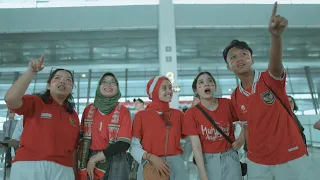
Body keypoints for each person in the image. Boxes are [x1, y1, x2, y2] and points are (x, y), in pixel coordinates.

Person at [223, 2, 317, 179]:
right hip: (258, 161)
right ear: (229, 68)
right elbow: (247, 128)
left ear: (252, 59)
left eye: (244, 54)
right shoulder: (235, 96)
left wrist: (276, 37)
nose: (239, 59)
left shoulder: (269, 78)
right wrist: (248, 153)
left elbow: (275, 63)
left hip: (292, 155)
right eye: (233, 58)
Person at [4, 56, 80, 180]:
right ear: (49, 85)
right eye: (57, 78)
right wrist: (31, 72)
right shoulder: (35, 102)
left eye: (68, 80)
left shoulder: (73, 116)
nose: (63, 82)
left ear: (71, 88)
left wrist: (75, 174)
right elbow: (11, 99)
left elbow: (74, 150)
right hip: (29, 165)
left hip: (63, 169)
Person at [183, 71, 244, 180]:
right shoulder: (191, 114)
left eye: (210, 81)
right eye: (201, 82)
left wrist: (241, 139)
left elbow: (247, 120)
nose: (206, 84)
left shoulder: (227, 104)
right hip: (207, 161)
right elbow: (196, 147)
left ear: (214, 87)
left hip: (230, 158)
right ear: (196, 90)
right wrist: (202, 173)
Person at [130, 76, 187, 180]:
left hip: (176, 168)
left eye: (170, 87)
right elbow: (133, 146)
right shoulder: (141, 116)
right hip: (150, 166)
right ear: (154, 91)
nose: (169, 91)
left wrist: (183, 158)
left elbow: (191, 139)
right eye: (164, 88)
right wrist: (151, 157)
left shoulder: (179, 115)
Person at [78, 72, 132, 180]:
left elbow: (123, 144)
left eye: (113, 83)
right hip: (89, 158)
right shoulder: (88, 109)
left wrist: (94, 159)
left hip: (115, 160)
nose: (108, 85)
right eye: (105, 82)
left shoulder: (123, 111)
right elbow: (81, 137)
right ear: (99, 86)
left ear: (117, 87)